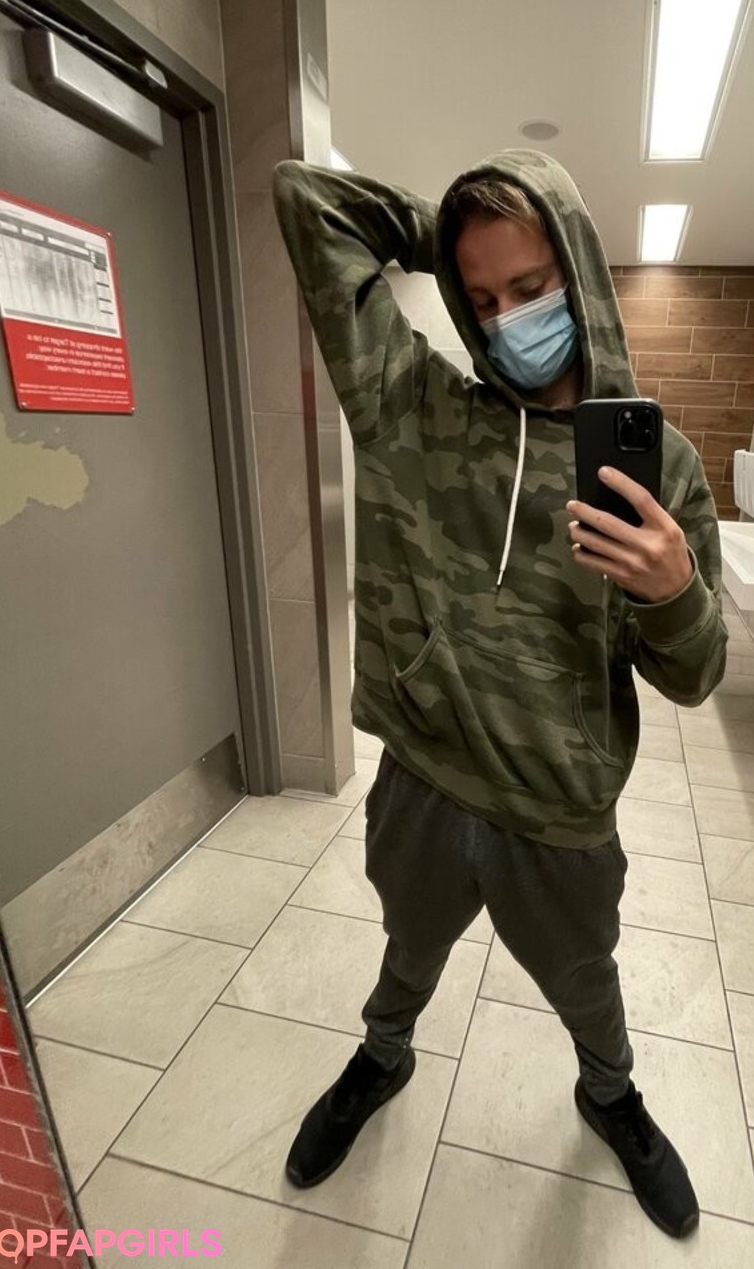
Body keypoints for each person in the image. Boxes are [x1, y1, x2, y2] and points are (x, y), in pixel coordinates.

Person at [272, 149, 728, 1239]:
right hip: (425, 778)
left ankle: (609, 1093)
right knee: (407, 945)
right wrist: (452, 231)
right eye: (480, 299)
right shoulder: (414, 407)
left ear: (579, 273)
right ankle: (384, 1056)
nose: (506, 318)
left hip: (559, 811)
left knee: (585, 978)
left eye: (530, 286)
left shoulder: (658, 465)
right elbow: (303, 198)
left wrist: (672, 591)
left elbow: (695, 675)